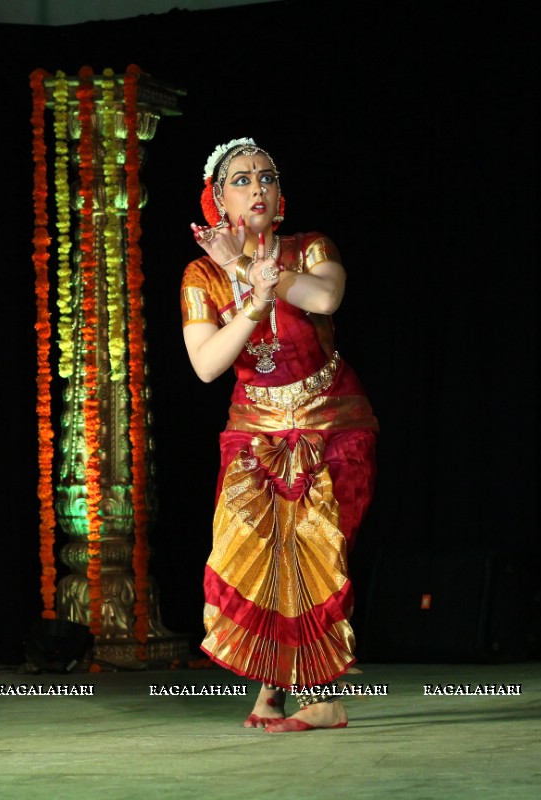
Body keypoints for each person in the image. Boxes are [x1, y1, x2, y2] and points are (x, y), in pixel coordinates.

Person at [181, 137, 378, 732]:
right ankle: (272, 687)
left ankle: (324, 697)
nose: (257, 187)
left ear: (281, 195)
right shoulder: (199, 276)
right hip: (255, 430)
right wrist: (246, 295)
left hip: (332, 425)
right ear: (217, 200)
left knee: (314, 550)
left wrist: (243, 267)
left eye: (265, 177)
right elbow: (208, 365)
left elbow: (325, 295)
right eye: (240, 180)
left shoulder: (308, 247)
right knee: (260, 557)